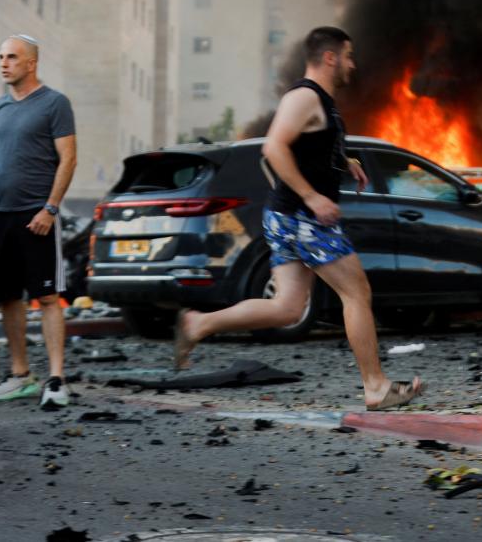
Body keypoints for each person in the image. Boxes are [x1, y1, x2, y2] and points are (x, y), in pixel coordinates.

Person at [174, 26, 423, 411]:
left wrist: (345, 161)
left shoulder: (319, 101)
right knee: (357, 293)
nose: (352, 65)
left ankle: (199, 324)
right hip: (304, 216)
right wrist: (312, 197)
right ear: (330, 57)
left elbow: (312, 145)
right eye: (349, 56)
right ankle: (375, 386)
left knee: (288, 308)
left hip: (288, 216)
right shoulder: (305, 95)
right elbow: (274, 147)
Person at [0, 34, 77, 410]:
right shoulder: (0, 108)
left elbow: (69, 159)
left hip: (37, 215)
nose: (3, 63)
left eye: (12, 57)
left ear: (31, 63)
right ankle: (20, 375)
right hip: (2, 216)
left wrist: (51, 208)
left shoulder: (55, 103)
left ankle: (57, 380)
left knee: (46, 297)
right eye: (0, 57)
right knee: (7, 297)